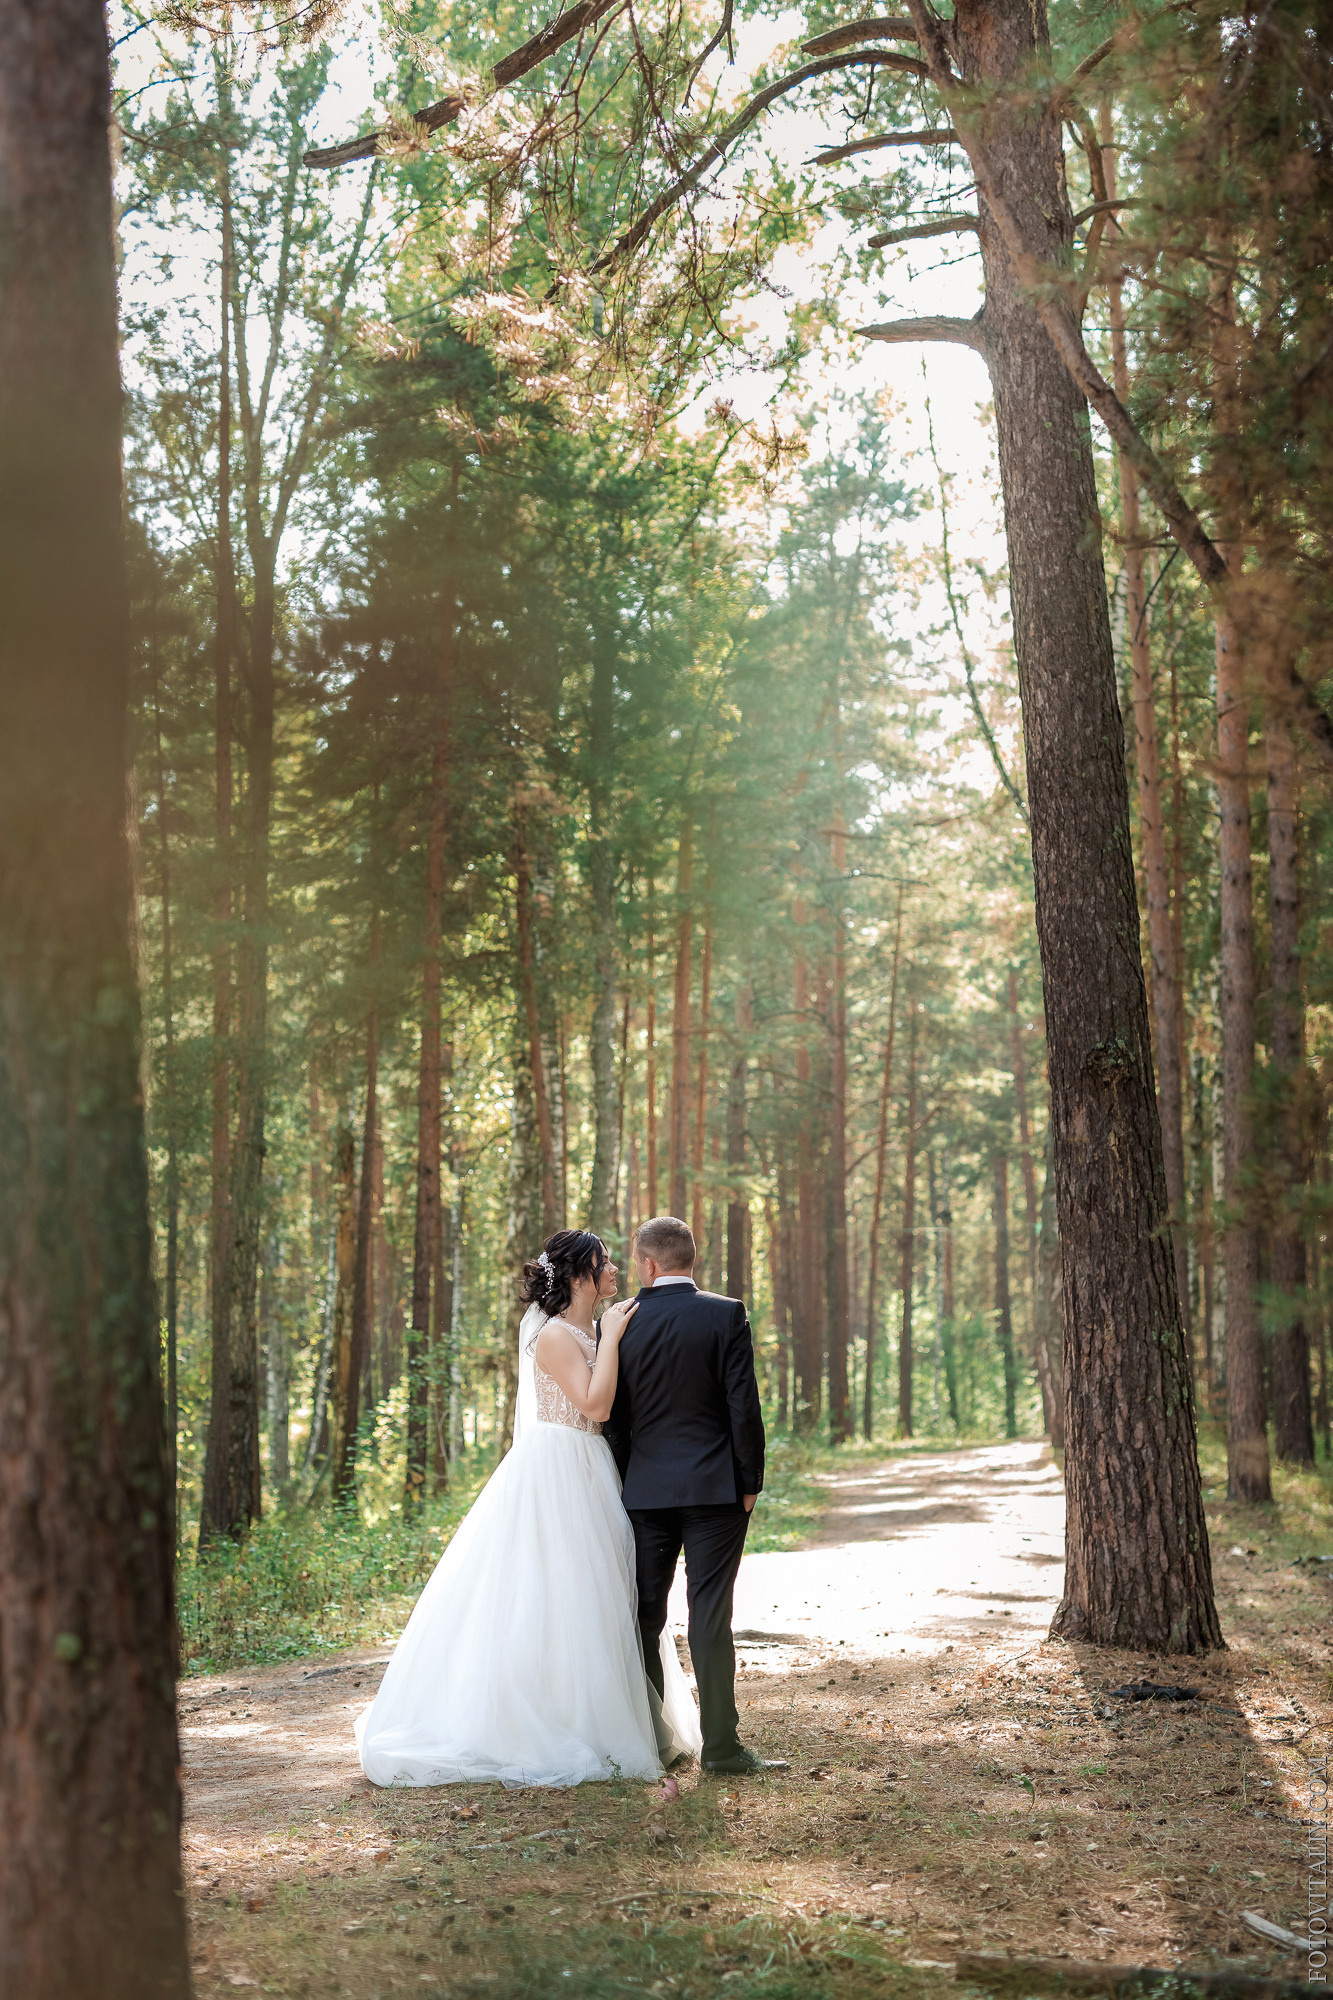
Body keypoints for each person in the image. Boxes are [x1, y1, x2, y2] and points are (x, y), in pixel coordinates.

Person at [355, 1229, 700, 1788]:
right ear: (578, 1277)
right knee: (559, 1591)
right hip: (558, 1470)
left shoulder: (594, 1325)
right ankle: (557, 1723)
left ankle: (612, 1715)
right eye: (604, 1263)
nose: (615, 1270)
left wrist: (610, 1335)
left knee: (605, 1594)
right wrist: (611, 1339)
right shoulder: (556, 1337)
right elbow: (596, 1403)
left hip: (594, 1467)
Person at [603, 1215, 780, 1777]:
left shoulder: (620, 1323)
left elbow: (614, 1420)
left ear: (649, 1264)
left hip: (646, 1494)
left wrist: (630, 1482)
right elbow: (741, 1407)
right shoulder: (725, 1313)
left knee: (644, 1619)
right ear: (689, 1260)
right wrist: (748, 1482)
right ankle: (723, 1750)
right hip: (715, 1492)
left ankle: (651, 1744)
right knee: (710, 1616)